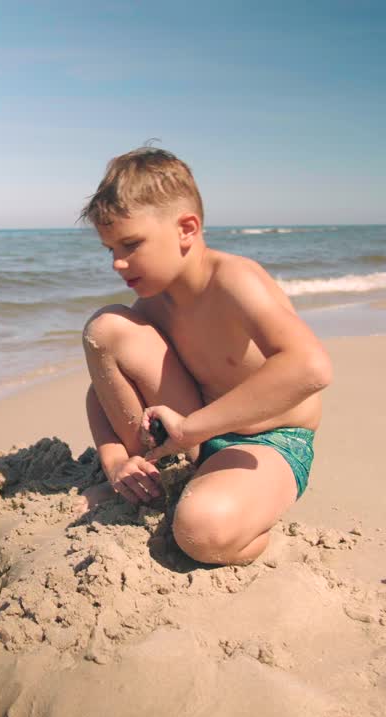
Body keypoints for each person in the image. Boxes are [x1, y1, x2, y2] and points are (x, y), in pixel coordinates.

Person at [78, 146, 333, 566]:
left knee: (201, 532)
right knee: (106, 328)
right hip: (193, 438)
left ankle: (250, 524)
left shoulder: (235, 280)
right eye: (110, 249)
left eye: (130, 244)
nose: (118, 263)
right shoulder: (150, 306)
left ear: (186, 229)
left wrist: (192, 428)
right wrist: (116, 461)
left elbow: (310, 367)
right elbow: (100, 392)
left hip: (266, 442)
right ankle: (144, 479)